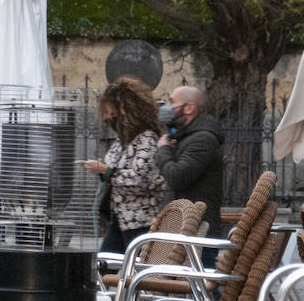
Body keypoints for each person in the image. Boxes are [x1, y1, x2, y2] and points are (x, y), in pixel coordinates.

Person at [83, 77, 166, 255]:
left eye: (113, 114)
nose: (108, 119)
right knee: (105, 265)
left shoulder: (146, 139)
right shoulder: (122, 141)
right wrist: (101, 170)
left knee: (133, 268)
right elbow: (113, 171)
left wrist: (106, 171)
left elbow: (138, 179)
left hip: (140, 221)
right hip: (120, 219)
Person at [156, 84, 225, 268]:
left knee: (202, 289)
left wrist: (163, 150)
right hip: (182, 230)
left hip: (199, 232)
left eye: (172, 103)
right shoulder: (185, 137)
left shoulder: (203, 139)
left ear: (189, 108)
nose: (167, 109)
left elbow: (177, 176)